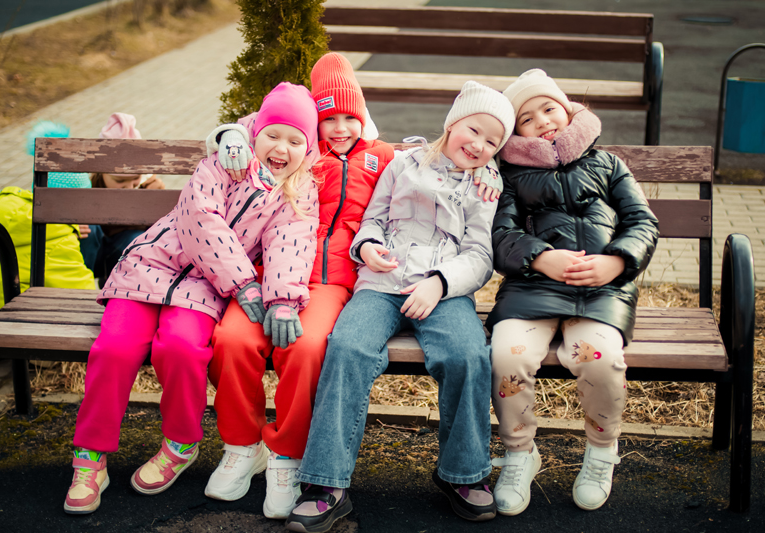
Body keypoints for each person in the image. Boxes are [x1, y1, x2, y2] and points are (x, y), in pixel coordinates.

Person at [62, 82, 320, 515]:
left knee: (182, 348)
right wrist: (243, 283)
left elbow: (291, 243)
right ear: (255, 132)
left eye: (295, 141)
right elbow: (201, 218)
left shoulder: (299, 191)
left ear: (308, 148)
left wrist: (281, 300)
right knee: (115, 348)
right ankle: (89, 456)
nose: (281, 148)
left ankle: (180, 444)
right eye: (273, 134)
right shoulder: (223, 162)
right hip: (150, 264)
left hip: (205, 287)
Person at [283, 80, 516, 532]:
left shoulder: (484, 186)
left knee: (467, 354)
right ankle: (327, 484)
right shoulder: (403, 163)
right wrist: (367, 247)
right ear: (453, 122)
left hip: (443, 292)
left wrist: (440, 283)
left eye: (492, 142)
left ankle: (463, 473)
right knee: (347, 347)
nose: (479, 145)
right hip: (381, 283)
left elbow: (479, 255)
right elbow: (372, 217)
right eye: (474, 130)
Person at [200, 52, 396, 520]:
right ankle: (242, 446)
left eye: (350, 117)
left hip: (331, 281)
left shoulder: (383, 156)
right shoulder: (302, 149)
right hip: (268, 271)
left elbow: (433, 165)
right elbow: (256, 127)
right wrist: (227, 135)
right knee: (231, 340)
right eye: (329, 118)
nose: (340, 128)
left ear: (363, 115)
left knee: (306, 348)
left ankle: (286, 456)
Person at [486, 69, 659, 516]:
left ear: (567, 111)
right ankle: (520, 453)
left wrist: (616, 261)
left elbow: (642, 221)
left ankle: (602, 450)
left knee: (598, 357)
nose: (542, 121)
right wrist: (541, 257)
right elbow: (499, 234)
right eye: (527, 118)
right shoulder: (510, 175)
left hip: (601, 289)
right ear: (515, 133)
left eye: (549, 109)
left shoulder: (608, 164)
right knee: (507, 356)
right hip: (532, 288)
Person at [78, 113, 166, 281]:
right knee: (88, 228)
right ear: (101, 172)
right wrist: (73, 224)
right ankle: (80, 284)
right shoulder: (89, 184)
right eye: (120, 181)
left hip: (121, 251)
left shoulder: (150, 186)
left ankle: (117, 285)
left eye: (135, 179)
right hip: (92, 254)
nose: (129, 187)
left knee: (135, 238)